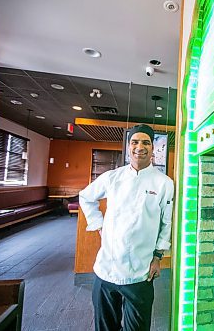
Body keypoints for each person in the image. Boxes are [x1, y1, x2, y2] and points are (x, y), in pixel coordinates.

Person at [79, 124, 174, 331]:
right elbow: (86, 197)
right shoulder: (112, 177)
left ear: (153, 148)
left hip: (140, 273)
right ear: (128, 146)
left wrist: (158, 257)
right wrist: (98, 225)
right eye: (135, 142)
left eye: (146, 142)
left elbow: (166, 223)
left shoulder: (164, 183)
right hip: (106, 270)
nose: (140, 147)